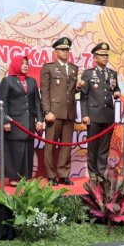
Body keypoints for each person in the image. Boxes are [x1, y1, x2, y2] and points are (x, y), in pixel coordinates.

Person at [40, 37, 79, 186]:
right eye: (62, 49)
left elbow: (71, 91)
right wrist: (46, 111)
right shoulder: (48, 67)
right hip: (54, 113)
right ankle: (50, 175)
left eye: (67, 49)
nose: (65, 52)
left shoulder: (74, 68)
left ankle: (63, 174)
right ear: (55, 51)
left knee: (66, 145)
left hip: (69, 112)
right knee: (50, 145)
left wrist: (79, 87)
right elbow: (44, 92)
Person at [0, 55, 43, 186]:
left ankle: (25, 177)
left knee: (28, 150)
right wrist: (5, 121)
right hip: (14, 122)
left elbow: (37, 102)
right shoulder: (7, 81)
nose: (25, 65)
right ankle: (13, 177)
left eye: (26, 63)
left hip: (28, 122)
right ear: (16, 64)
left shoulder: (32, 81)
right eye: (22, 63)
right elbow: (3, 102)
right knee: (15, 150)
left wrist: (39, 119)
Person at [79, 42, 120, 182]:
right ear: (95, 58)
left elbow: (116, 89)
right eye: (102, 55)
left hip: (108, 114)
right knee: (93, 146)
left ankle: (102, 171)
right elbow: (83, 97)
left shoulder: (112, 74)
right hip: (93, 114)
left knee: (104, 146)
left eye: (106, 55)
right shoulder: (88, 73)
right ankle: (92, 172)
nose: (105, 57)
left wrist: (117, 93)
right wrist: (84, 115)